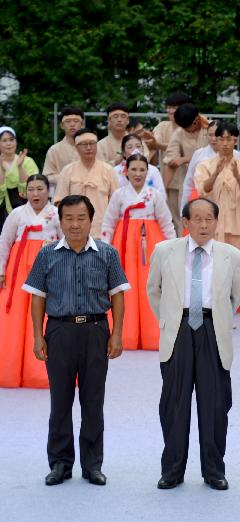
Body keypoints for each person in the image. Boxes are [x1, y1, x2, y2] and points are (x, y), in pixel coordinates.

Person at [23, 194, 129, 486]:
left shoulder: (107, 254)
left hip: (96, 331)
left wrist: (117, 333)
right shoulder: (47, 254)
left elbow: (118, 294)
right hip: (59, 332)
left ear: (91, 220)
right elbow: (37, 298)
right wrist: (38, 336)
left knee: (93, 400)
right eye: (68, 218)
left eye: (81, 218)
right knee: (60, 400)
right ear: (60, 220)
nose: (75, 224)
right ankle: (60, 462)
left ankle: (92, 464)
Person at [146, 197, 240, 490]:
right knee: (174, 404)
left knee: (215, 404)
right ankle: (172, 470)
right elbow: (154, 291)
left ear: (217, 221)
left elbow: (234, 298)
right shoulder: (164, 251)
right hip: (178, 329)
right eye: (197, 219)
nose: (203, 225)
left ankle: (214, 470)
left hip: (213, 330)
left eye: (209, 219)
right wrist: (171, 319)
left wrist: (216, 319)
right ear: (185, 223)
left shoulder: (232, 256)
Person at [101, 155, 176, 350]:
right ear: (126, 172)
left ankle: (153, 336)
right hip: (124, 245)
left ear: (148, 172)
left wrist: (173, 249)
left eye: (142, 170)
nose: (138, 174)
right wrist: (104, 249)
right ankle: (126, 336)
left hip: (150, 244)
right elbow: (108, 223)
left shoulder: (155, 195)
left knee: (151, 287)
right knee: (125, 288)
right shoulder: (118, 195)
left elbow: (166, 223)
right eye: (133, 169)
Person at [0, 174, 61, 388]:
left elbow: (65, 244)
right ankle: (10, 371)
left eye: (40, 189)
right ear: (24, 192)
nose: (35, 193)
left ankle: (42, 374)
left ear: (48, 191)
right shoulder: (17, 214)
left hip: (48, 270)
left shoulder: (56, 215)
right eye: (31, 189)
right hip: (18, 272)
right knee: (15, 318)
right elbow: (4, 243)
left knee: (45, 317)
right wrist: (1, 271)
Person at [194, 123, 240, 313]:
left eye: (229, 139)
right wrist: (216, 173)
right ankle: (209, 306)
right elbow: (202, 190)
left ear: (235, 140)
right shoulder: (205, 165)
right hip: (210, 222)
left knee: (230, 267)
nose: (225, 143)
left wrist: (237, 175)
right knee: (209, 265)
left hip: (234, 222)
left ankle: (227, 309)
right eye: (222, 139)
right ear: (216, 140)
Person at [53, 128, 120, 238]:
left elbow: (116, 202)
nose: (88, 148)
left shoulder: (108, 170)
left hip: (102, 229)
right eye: (83, 144)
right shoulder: (67, 170)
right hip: (74, 230)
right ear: (76, 147)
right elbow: (60, 201)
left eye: (92, 144)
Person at [164, 103, 209, 232]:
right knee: (184, 220)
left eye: (188, 127)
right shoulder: (179, 133)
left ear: (196, 121)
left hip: (213, 185)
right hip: (188, 185)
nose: (186, 130)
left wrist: (185, 159)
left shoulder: (211, 129)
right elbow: (171, 162)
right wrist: (162, 190)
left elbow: (217, 153)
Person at [0, 127, 39, 228]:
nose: (9, 143)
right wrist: (2, 171)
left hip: (26, 209)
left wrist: (20, 167)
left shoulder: (28, 161)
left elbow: (33, 187)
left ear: (16, 142)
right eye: (4, 140)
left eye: (11, 139)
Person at [113, 134, 166, 199]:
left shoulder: (153, 170)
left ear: (143, 149)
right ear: (123, 152)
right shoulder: (115, 171)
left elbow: (162, 195)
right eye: (130, 147)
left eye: (138, 146)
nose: (135, 150)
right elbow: (113, 196)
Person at [43, 106, 85, 189]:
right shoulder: (54, 150)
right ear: (62, 125)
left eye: (76, 121)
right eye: (68, 121)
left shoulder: (92, 147)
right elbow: (47, 177)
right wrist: (67, 178)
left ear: (82, 124)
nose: (72, 124)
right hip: (62, 195)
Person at [144, 93, 191, 165]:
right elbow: (155, 143)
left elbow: (181, 147)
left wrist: (158, 145)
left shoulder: (192, 128)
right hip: (165, 174)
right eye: (169, 107)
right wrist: (149, 143)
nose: (170, 111)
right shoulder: (162, 126)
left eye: (174, 108)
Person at [181, 120, 219, 208]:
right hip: (200, 200)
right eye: (210, 135)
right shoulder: (198, 154)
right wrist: (184, 208)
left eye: (216, 135)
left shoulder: (234, 154)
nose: (213, 138)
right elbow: (189, 182)